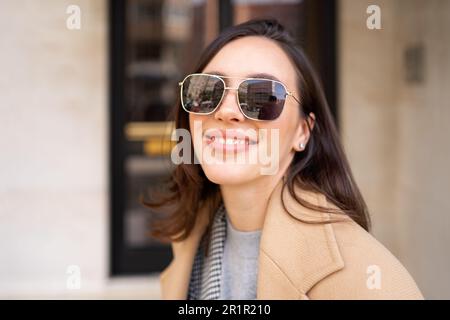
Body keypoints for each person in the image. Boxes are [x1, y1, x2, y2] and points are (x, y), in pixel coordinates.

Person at [144, 18, 423, 300]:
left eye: (262, 96)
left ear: (303, 131)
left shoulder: (370, 280)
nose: (227, 111)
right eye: (207, 90)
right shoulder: (190, 239)